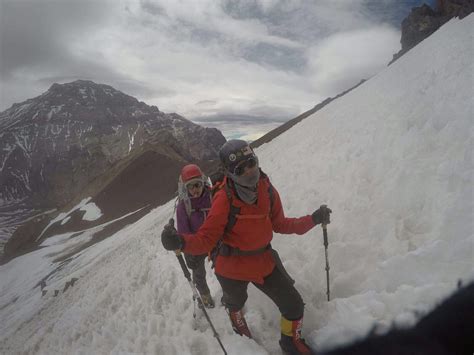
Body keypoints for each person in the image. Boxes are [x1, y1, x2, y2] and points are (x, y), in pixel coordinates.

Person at [162, 140, 331, 354]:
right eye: (240, 168)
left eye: (251, 163)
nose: (249, 171)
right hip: (231, 266)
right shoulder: (224, 199)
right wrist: (181, 242)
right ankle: (240, 326)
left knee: (293, 305)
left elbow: (281, 224)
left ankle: (289, 341)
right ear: (230, 172)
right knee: (235, 302)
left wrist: (313, 219)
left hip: (262, 262)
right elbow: (207, 238)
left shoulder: (267, 190)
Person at [176, 164, 215, 308]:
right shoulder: (183, 207)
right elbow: (183, 232)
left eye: (197, 185)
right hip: (196, 245)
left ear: (203, 182)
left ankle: (230, 294)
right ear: (185, 188)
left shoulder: (212, 195)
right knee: (199, 275)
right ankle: (205, 297)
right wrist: (188, 251)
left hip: (214, 240)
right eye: (190, 186)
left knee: (223, 268)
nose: (194, 190)